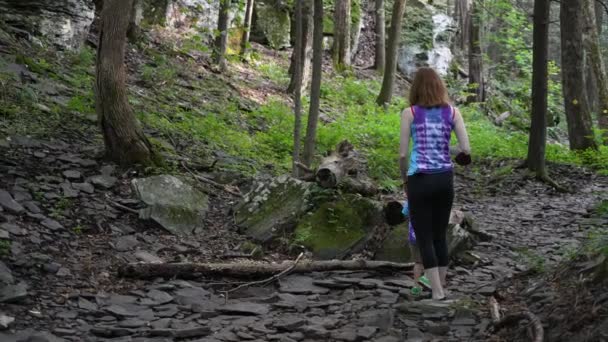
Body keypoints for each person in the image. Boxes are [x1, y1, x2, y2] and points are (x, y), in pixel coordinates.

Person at [399, 67, 471, 300]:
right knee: (440, 235)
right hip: (444, 179)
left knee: (424, 236)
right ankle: (440, 286)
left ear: (416, 88)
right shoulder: (452, 112)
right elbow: (465, 150)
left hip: (419, 179)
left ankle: (437, 292)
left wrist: (404, 180)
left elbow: (402, 155)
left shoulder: (409, 113)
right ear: (440, 86)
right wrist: (447, 152)